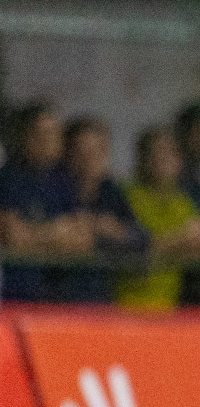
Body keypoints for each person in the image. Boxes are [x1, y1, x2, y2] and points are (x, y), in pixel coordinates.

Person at [118, 126, 200, 311]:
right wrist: (180, 241)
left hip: (169, 309)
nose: (162, 159)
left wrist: (172, 244)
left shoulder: (183, 202)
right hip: (126, 307)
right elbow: (134, 250)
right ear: (142, 158)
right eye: (155, 152)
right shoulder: (125, 196)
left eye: (170, 152)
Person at [0, 101, 91, 301]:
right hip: (17, 294)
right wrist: (57, 232)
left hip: (60, 294)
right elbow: (14, 237)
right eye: (41, 133)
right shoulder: (8, 178)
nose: (48, 140)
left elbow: (83, 239)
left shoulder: (65, 179)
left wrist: (35, 233)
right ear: (26, 136)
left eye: (53, 133)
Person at [58, 117, 148, 304]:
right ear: (68, 153)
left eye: (97, 151)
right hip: (55, 298)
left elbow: (141, 240)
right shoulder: (55, 187)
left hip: (100, 299)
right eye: (82, 152)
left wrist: (112, 233)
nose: (90, 159)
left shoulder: (111, 191)